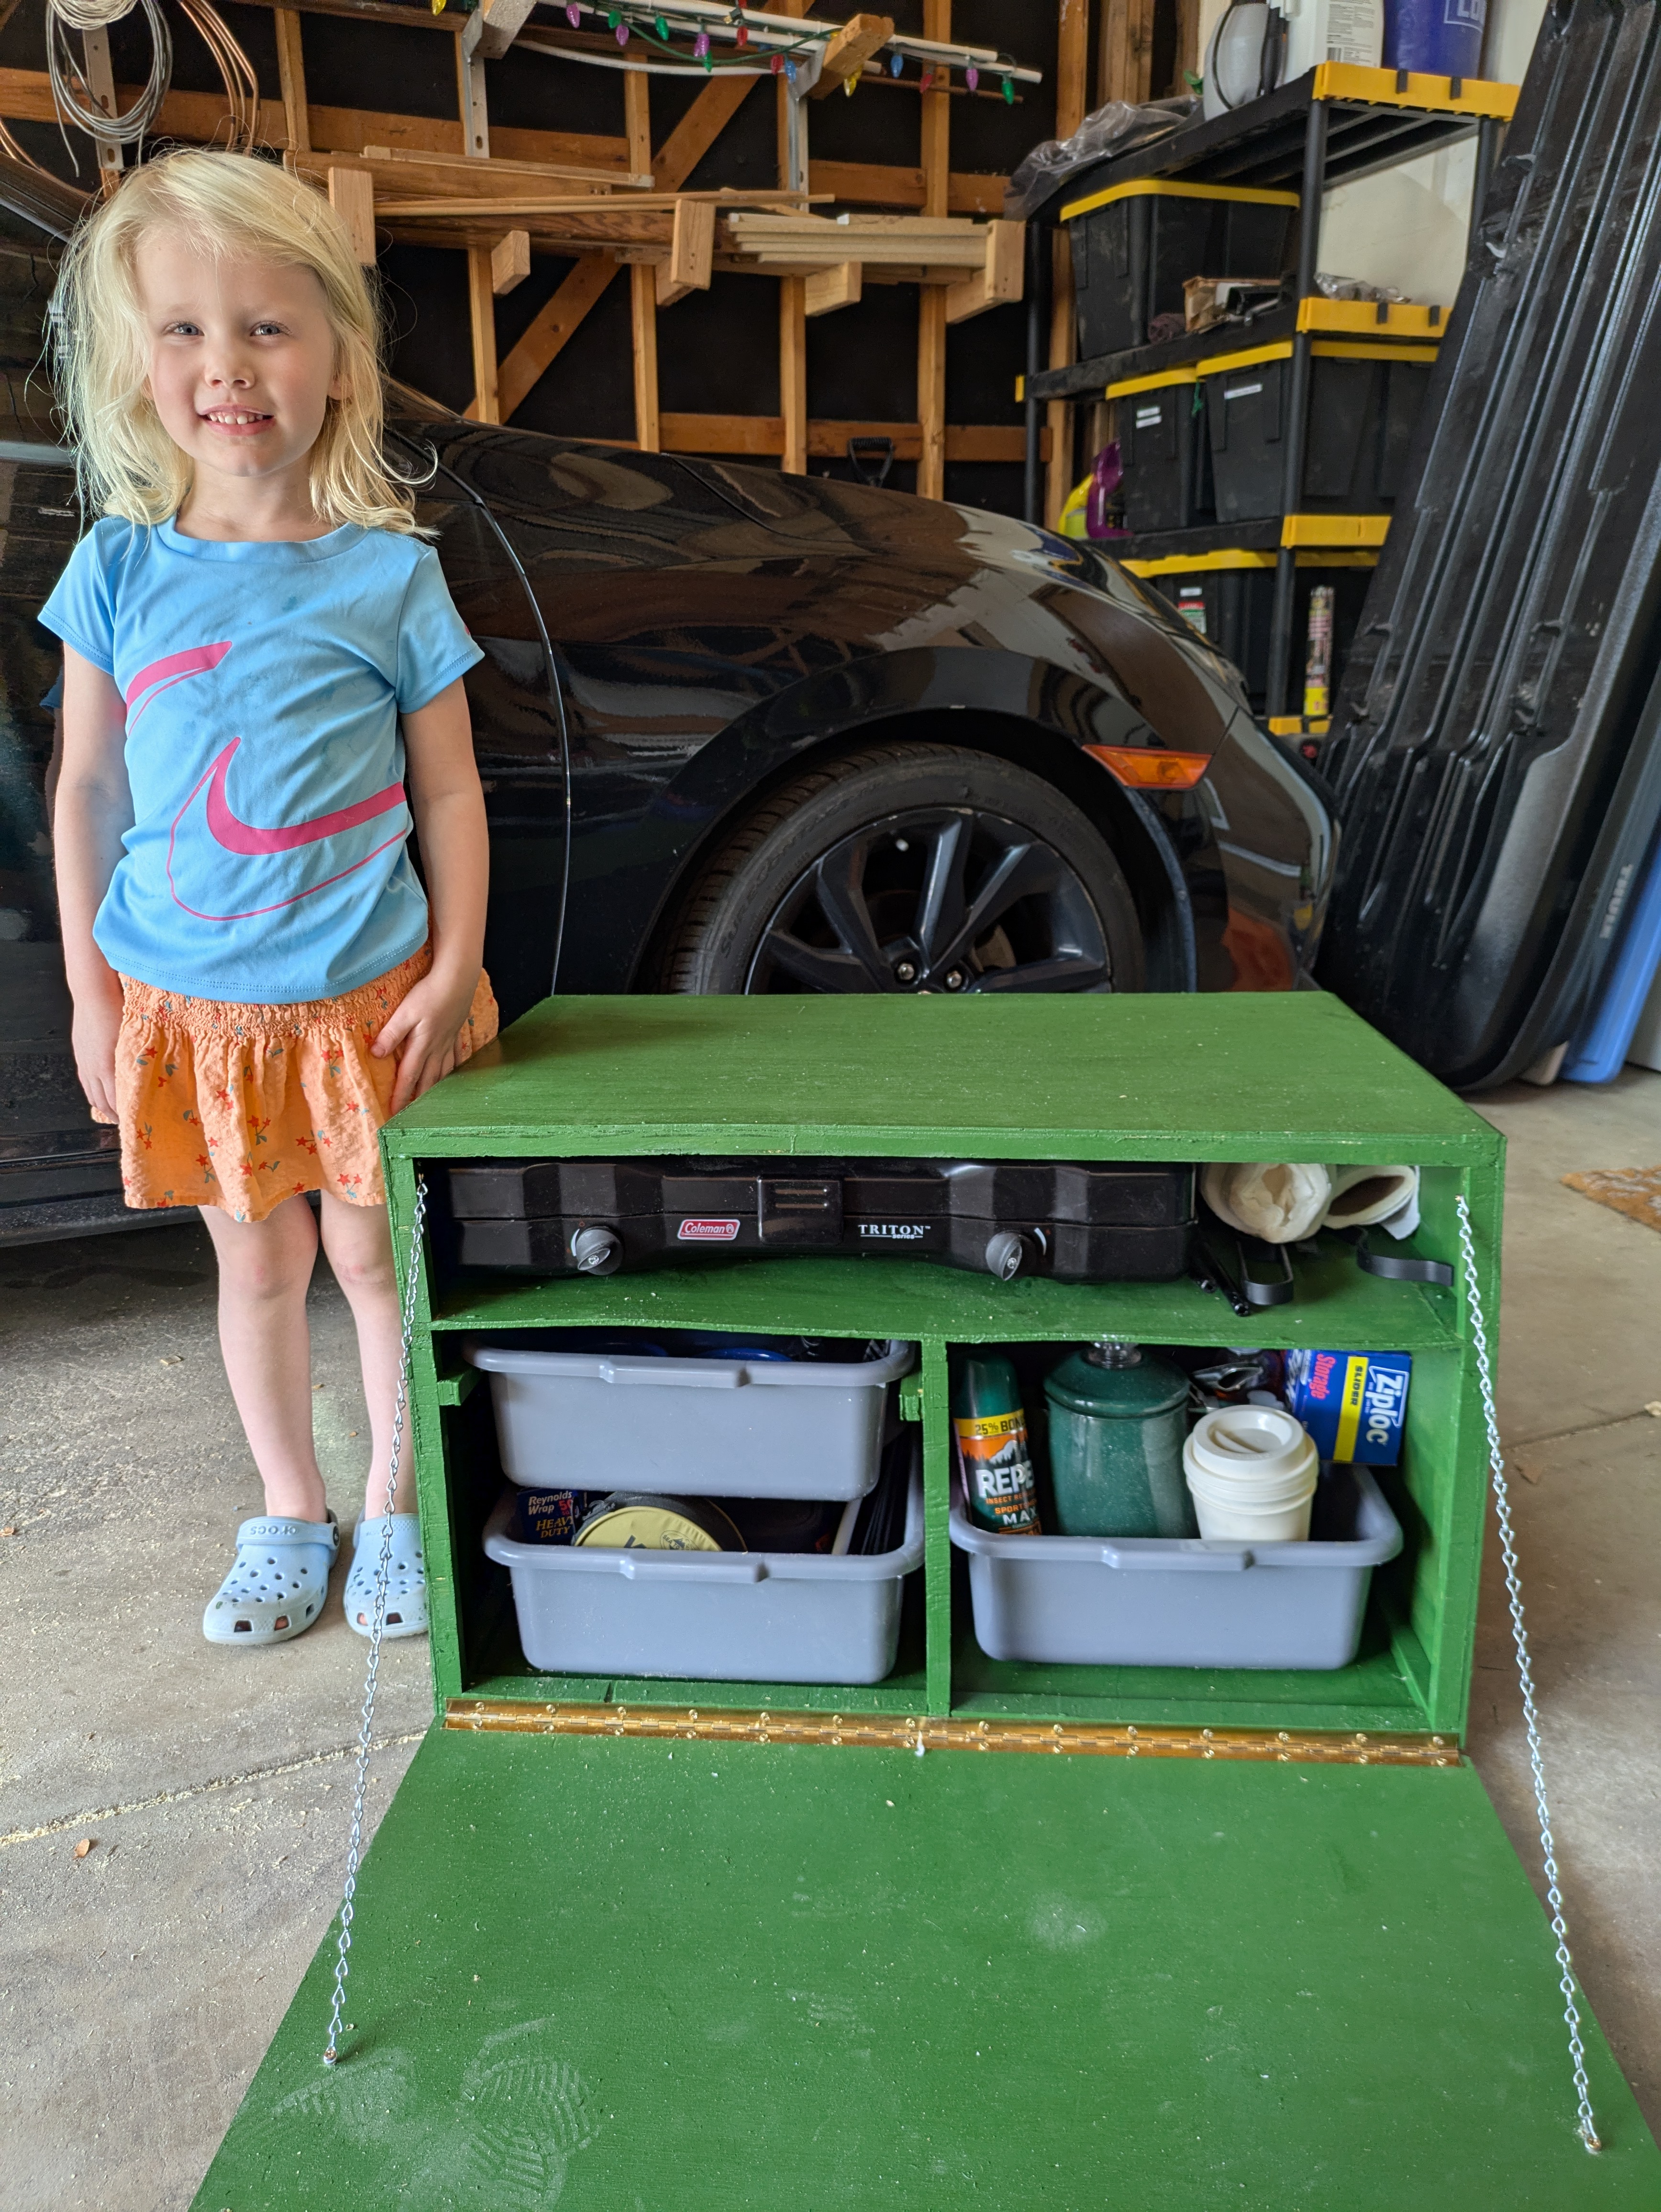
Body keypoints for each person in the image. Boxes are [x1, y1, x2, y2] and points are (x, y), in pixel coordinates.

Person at [44, 149, 496, 1648]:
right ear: (134, 365)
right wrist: (89, 992)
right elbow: (91, 794)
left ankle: (396, 1507)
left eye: (265, 326)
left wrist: (453, 968)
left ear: (338, 361)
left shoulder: (385, 577)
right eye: (183, 329)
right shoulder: (113, 570)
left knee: (374, 1260)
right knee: (256, 1266)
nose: (226, 366)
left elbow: (448, 794)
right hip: (195, 1016)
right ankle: (287, 1507)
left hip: (366, 1003)